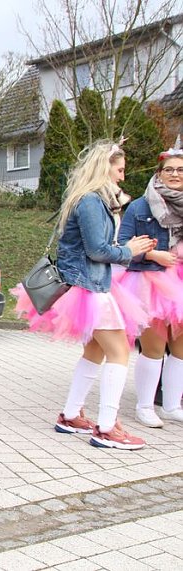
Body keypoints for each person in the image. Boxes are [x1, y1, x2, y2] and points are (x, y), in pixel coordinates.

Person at [13, 140, 156, 450]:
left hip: (89, 286)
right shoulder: (91, 201)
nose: (122, 176)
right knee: (119, 352)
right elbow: (97, 250)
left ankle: (70, 415)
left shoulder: (90, 199)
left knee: (96, 351)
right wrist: (128, 251)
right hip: (88, 287)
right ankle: (106, 428)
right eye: (119, 170)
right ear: (104, 168)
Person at [116, 147, 183, 427]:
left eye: (180, 170)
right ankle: (145, 406)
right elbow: (122, 244)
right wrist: (153, 254)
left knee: (180, 348)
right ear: (159, 174)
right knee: (154, 346)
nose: (175, 174)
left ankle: (171, 405)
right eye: (169, 169)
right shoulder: (141, 206)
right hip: (148, 280)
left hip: (179, 280)